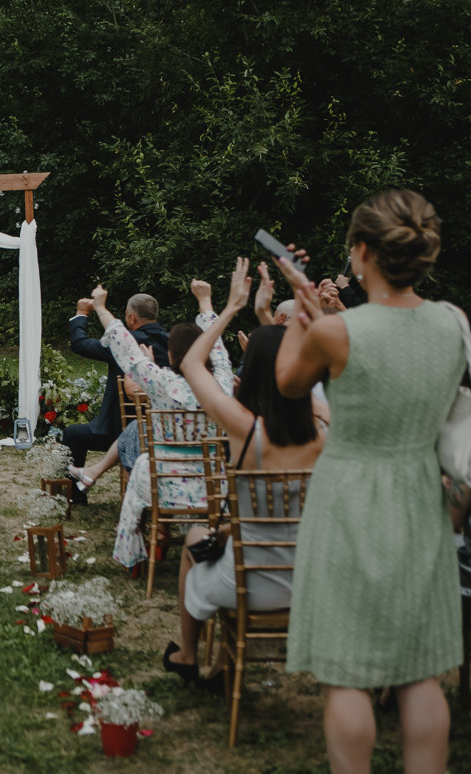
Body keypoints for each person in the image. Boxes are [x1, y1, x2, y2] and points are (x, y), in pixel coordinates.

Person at [274, 190, 468, 773]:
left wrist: (300, 309)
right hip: (421, 495)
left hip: (350, 496)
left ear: (361, 252)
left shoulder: (338, 333)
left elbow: (287, 383)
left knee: (346, 672)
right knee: (419, 673)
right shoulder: (455, 322)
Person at [164, 258, 325, 692]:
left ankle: (187, 654)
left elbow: (193, 364)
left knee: (197, 543)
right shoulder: (326, 436)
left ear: (252, 372)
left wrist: (232, 307)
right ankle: (219, 667)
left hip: (246, 584)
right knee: (212, 537)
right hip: (312, 586)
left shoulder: (246, 431)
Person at [90, 280, 233, 570]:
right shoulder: (221, 385)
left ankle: (136, 549)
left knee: (140, 464)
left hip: (160, 481)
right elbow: (218, 351)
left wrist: (100, 307)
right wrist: (205, 302)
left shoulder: (161, 382)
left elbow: (123, 343)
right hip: (212, 484)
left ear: (172, 354)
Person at [64, 291, 168, 502]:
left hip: (119, 430)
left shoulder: (125, 343)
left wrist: (82, 312)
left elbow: (80, 344)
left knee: (73, 434)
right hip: (165, 430)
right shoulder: (172, 341)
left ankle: (75, 495)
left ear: (131, 317)